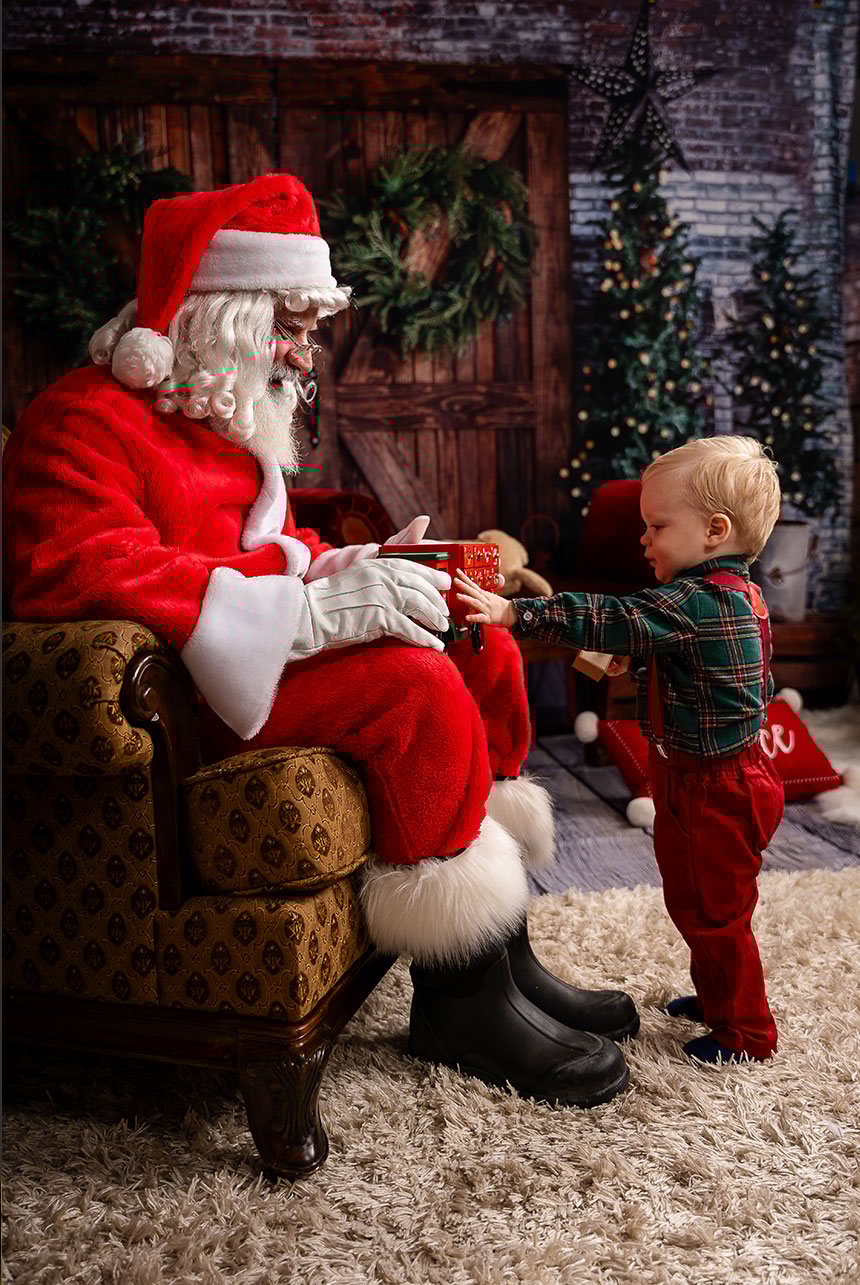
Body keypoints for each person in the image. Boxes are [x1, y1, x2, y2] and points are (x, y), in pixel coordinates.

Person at [3, 171, 637, 1108]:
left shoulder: (214, 411)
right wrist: (316, 613)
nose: (304, 353)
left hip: (245, 659)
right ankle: (461, 1004)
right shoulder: (82, 420)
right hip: (186, 695)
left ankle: (498, 950)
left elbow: (267, 546)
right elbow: (75, 571)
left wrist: (367, 563)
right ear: (222, 317)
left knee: (482, 646)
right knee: (415, 690)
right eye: (290, 326)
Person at [455, 435, 785, 1066]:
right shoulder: (737, 595)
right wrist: (643, 663)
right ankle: (720, 999)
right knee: (697, 901)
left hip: (715, 786)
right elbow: (720, 673)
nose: (644, 539)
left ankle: (746, 1032)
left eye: (657, 526)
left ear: (715, 531)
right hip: (713, 775)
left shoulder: (694, 602)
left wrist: (514, 614)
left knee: (716, 911)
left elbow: (613, 617)